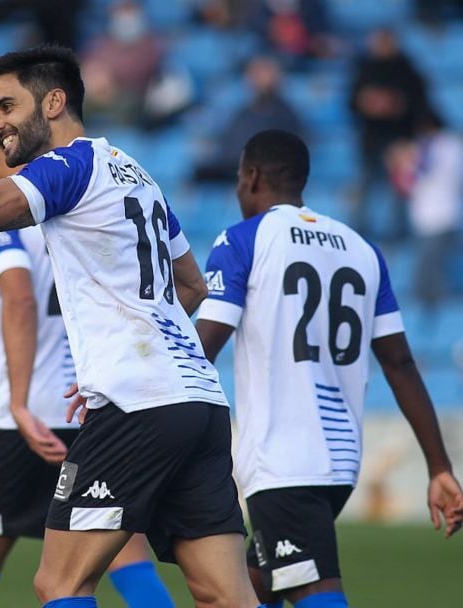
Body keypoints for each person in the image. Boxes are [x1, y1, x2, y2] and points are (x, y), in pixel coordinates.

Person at [0, 45, 262, 608]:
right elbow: (191, 286)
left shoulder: (69, 164)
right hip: (198, 401)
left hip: (138, 402)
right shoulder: (134, 171)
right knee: (226, 595)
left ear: (53, 102)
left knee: (60, 584)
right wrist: (147, 354)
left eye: (6, 106)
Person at [194, 129, 463, 608]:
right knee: (239, 590)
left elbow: (205, 344)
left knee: (315, 590)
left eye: (239, 179)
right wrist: (439, 466)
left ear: (251, 177)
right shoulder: (362, 250)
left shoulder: (243, 240)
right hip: (339, 464)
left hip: (285, 461)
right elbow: (399, 362)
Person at [0, 93, 173, 608]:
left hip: (26, 418)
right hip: (95, 406)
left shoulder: (4, 215)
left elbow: (19, 297)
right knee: (123, 551)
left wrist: (21, 404)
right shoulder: (80, 196)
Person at [347, 28, 430, 241]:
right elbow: (352, 104)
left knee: (399, 191)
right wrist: (368, 103)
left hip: (400, 142)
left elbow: (420, 106)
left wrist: (394, 104)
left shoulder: (409, 71)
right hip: (371, 140)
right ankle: (358, 232)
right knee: (365, 186)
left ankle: (399, 234)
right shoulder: (364, 69)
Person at [386, 110, 463, 318]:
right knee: (431, 272)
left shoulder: (440, 146)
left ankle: (439, 322)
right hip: (431, 217)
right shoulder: (442, 146)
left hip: (439, 216)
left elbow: (421, 174)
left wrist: (405, 159)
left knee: (427, 274)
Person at [195, 56, 304, 183]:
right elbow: (228, 144)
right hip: (233, 166)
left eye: (264, 74)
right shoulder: (244, 112)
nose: (259, 79)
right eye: (256, 74)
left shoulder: (285, 113)